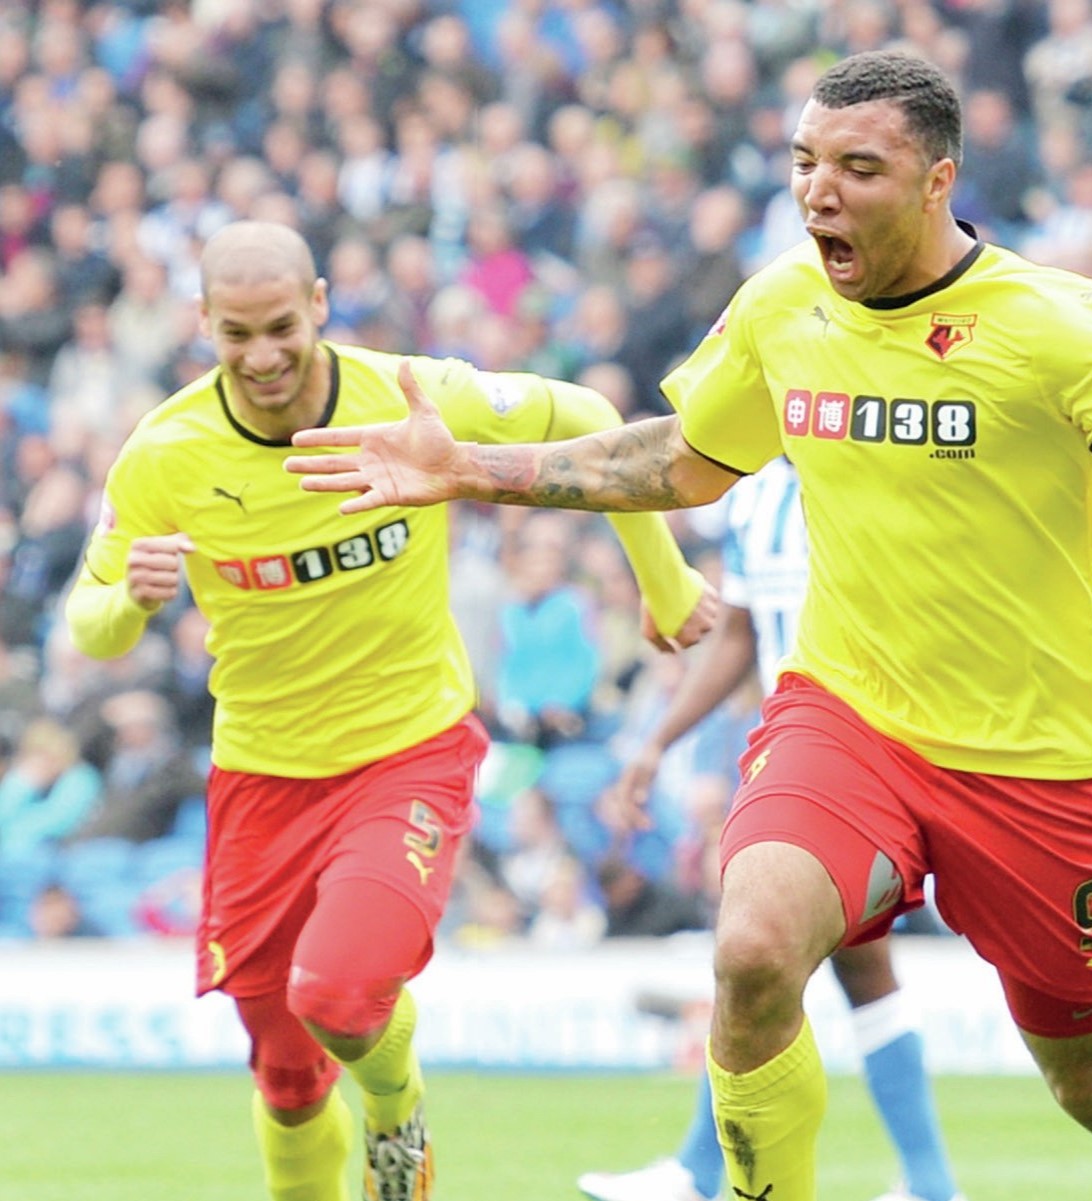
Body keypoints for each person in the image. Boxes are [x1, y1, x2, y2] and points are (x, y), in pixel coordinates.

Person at [288, 51, 1092, 1201]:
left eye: (856, 167)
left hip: (1032, 762)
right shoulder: (786, 304)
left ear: (937, 181)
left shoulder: (1052, 324)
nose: (817, 192)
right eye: (802, 163)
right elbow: (681, 458)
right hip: (849, 719)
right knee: (748, 952)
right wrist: (470, 468)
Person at [65, 220, 717, 1201]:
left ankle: (392, 1103)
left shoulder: (407, 396)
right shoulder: (165, 453)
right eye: (237, 333)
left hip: (405, 755)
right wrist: (132, 597)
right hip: (261, 776)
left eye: (282, 325)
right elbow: (92, 625)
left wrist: (664, 586)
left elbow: (581, 410)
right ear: (202, 322)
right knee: (284, 1082)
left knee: (337, 992)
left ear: (319, 303)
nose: (264, 354)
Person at [577, 457, 965, 1201]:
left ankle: (699, 1172)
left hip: (866, 762)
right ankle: (929, 1185)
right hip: (794, 761)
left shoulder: (866, 472)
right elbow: (737, 636)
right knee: (832, 968)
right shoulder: (754, 496)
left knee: (764, 953)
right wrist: (659, 741)